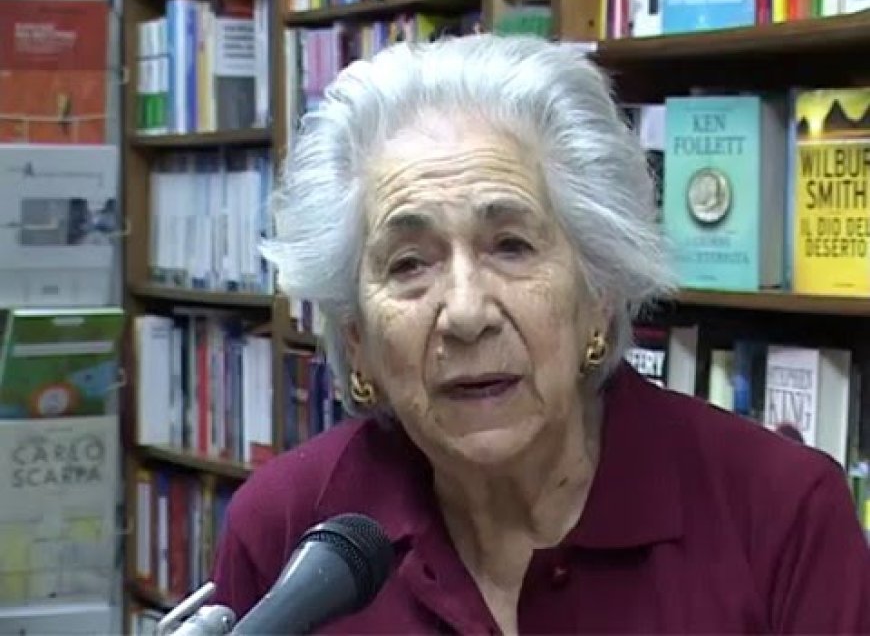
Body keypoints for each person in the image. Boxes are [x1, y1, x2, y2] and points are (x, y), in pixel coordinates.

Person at [210, 34, 870, 634]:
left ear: (599, 295)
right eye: (409, 264)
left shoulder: (782, 514)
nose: (466, 313)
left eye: (511, 246)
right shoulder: (287, 531)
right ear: (356, 337)